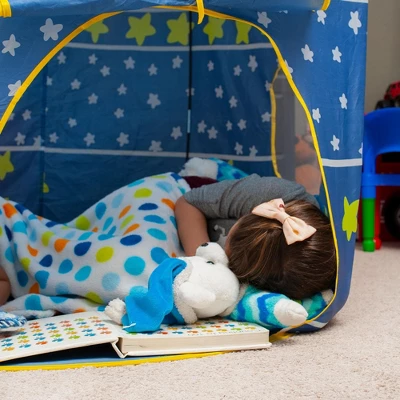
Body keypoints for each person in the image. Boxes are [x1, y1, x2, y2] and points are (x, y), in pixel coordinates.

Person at [175, 174, 336, 299]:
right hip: (204, 197)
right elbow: (187, 202)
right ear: (248, 214)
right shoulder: (270, 193)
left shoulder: (302, 274)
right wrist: (203, 263)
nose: (225, 253)